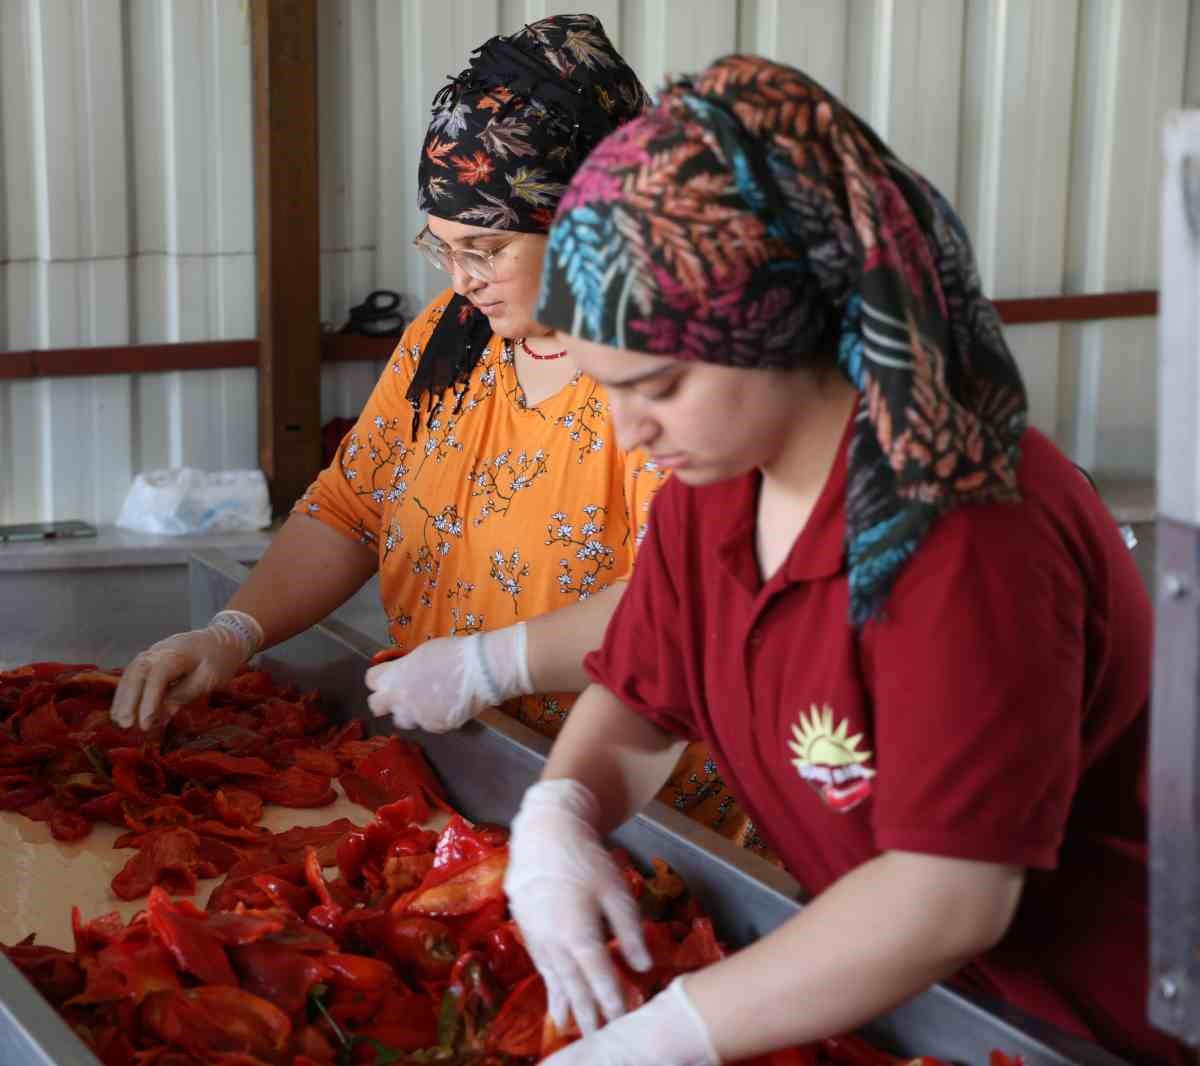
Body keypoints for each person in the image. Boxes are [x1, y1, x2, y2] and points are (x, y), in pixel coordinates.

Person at [498, 55, 1184, 1065]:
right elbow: (643, 701)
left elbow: (946, 894)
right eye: (604, 388)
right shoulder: (714, 485)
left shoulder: (963, 526)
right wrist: (560, 814)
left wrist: (668, 1037)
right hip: (895, 1003)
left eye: (658, 383)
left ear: (778, 324)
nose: (630, 430)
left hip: (1067, 1028)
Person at [110, 14, 774, 860]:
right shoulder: (451, 339)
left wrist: (490, 665)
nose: (463, 278)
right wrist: (233, 633)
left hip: (648, 816)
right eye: (443, 247)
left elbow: (687, 608)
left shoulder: (670, 373)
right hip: (466, 775)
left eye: (488, 248)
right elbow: (353, 507)